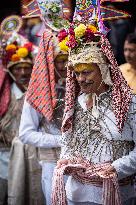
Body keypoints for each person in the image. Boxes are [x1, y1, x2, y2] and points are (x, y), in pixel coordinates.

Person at [51, 4, 136, 205]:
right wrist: (66, 159)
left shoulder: (129, 103)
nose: (80, 78)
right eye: (77, 73)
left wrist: (116, 168)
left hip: (116, 195)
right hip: (76, 195)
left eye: (87, 72)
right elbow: (67, 142)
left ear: (104, 70)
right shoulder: (76, 103)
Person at [19, 28, 68, 204]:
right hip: (52, 165)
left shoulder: (82, 86)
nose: (63, 66)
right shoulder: (38, 92)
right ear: (49, 61)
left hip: (82, 165)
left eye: (66, 60)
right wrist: (60, 140)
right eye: (58, 61)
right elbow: (25, 133)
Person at [0, 30, 38, 204]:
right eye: (18, 68)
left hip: (31, 160)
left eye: (27, 68)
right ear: (11, 71)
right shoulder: (3, 96)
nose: (23, 72)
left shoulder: (37, 96)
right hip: (3, 159)